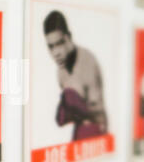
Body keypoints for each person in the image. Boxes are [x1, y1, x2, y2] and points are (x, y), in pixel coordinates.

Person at [43, 10, 107, 141]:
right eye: (51, 47)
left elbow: (97, 114)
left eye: (59, 43)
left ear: (69, 37)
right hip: (80, 131)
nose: (56, 53)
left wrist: (72, 103)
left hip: (97, 131)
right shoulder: (60, 71)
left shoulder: (88, 61)